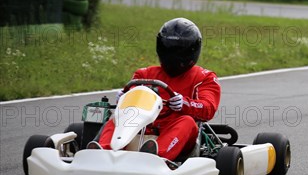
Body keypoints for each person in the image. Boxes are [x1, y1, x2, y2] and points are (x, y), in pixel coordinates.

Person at [90, 17, 221, 162]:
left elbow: (209, 108)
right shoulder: (144, 75)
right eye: (169, 49)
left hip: (175, 134)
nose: (173, 56)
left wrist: (185, 104)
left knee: (188, 121)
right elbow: (130, 104)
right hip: (140, 128)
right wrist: (124, 98)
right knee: (116, 117)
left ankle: (156, 157)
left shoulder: (204, 77)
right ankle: (103, 152)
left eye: (178, 51)